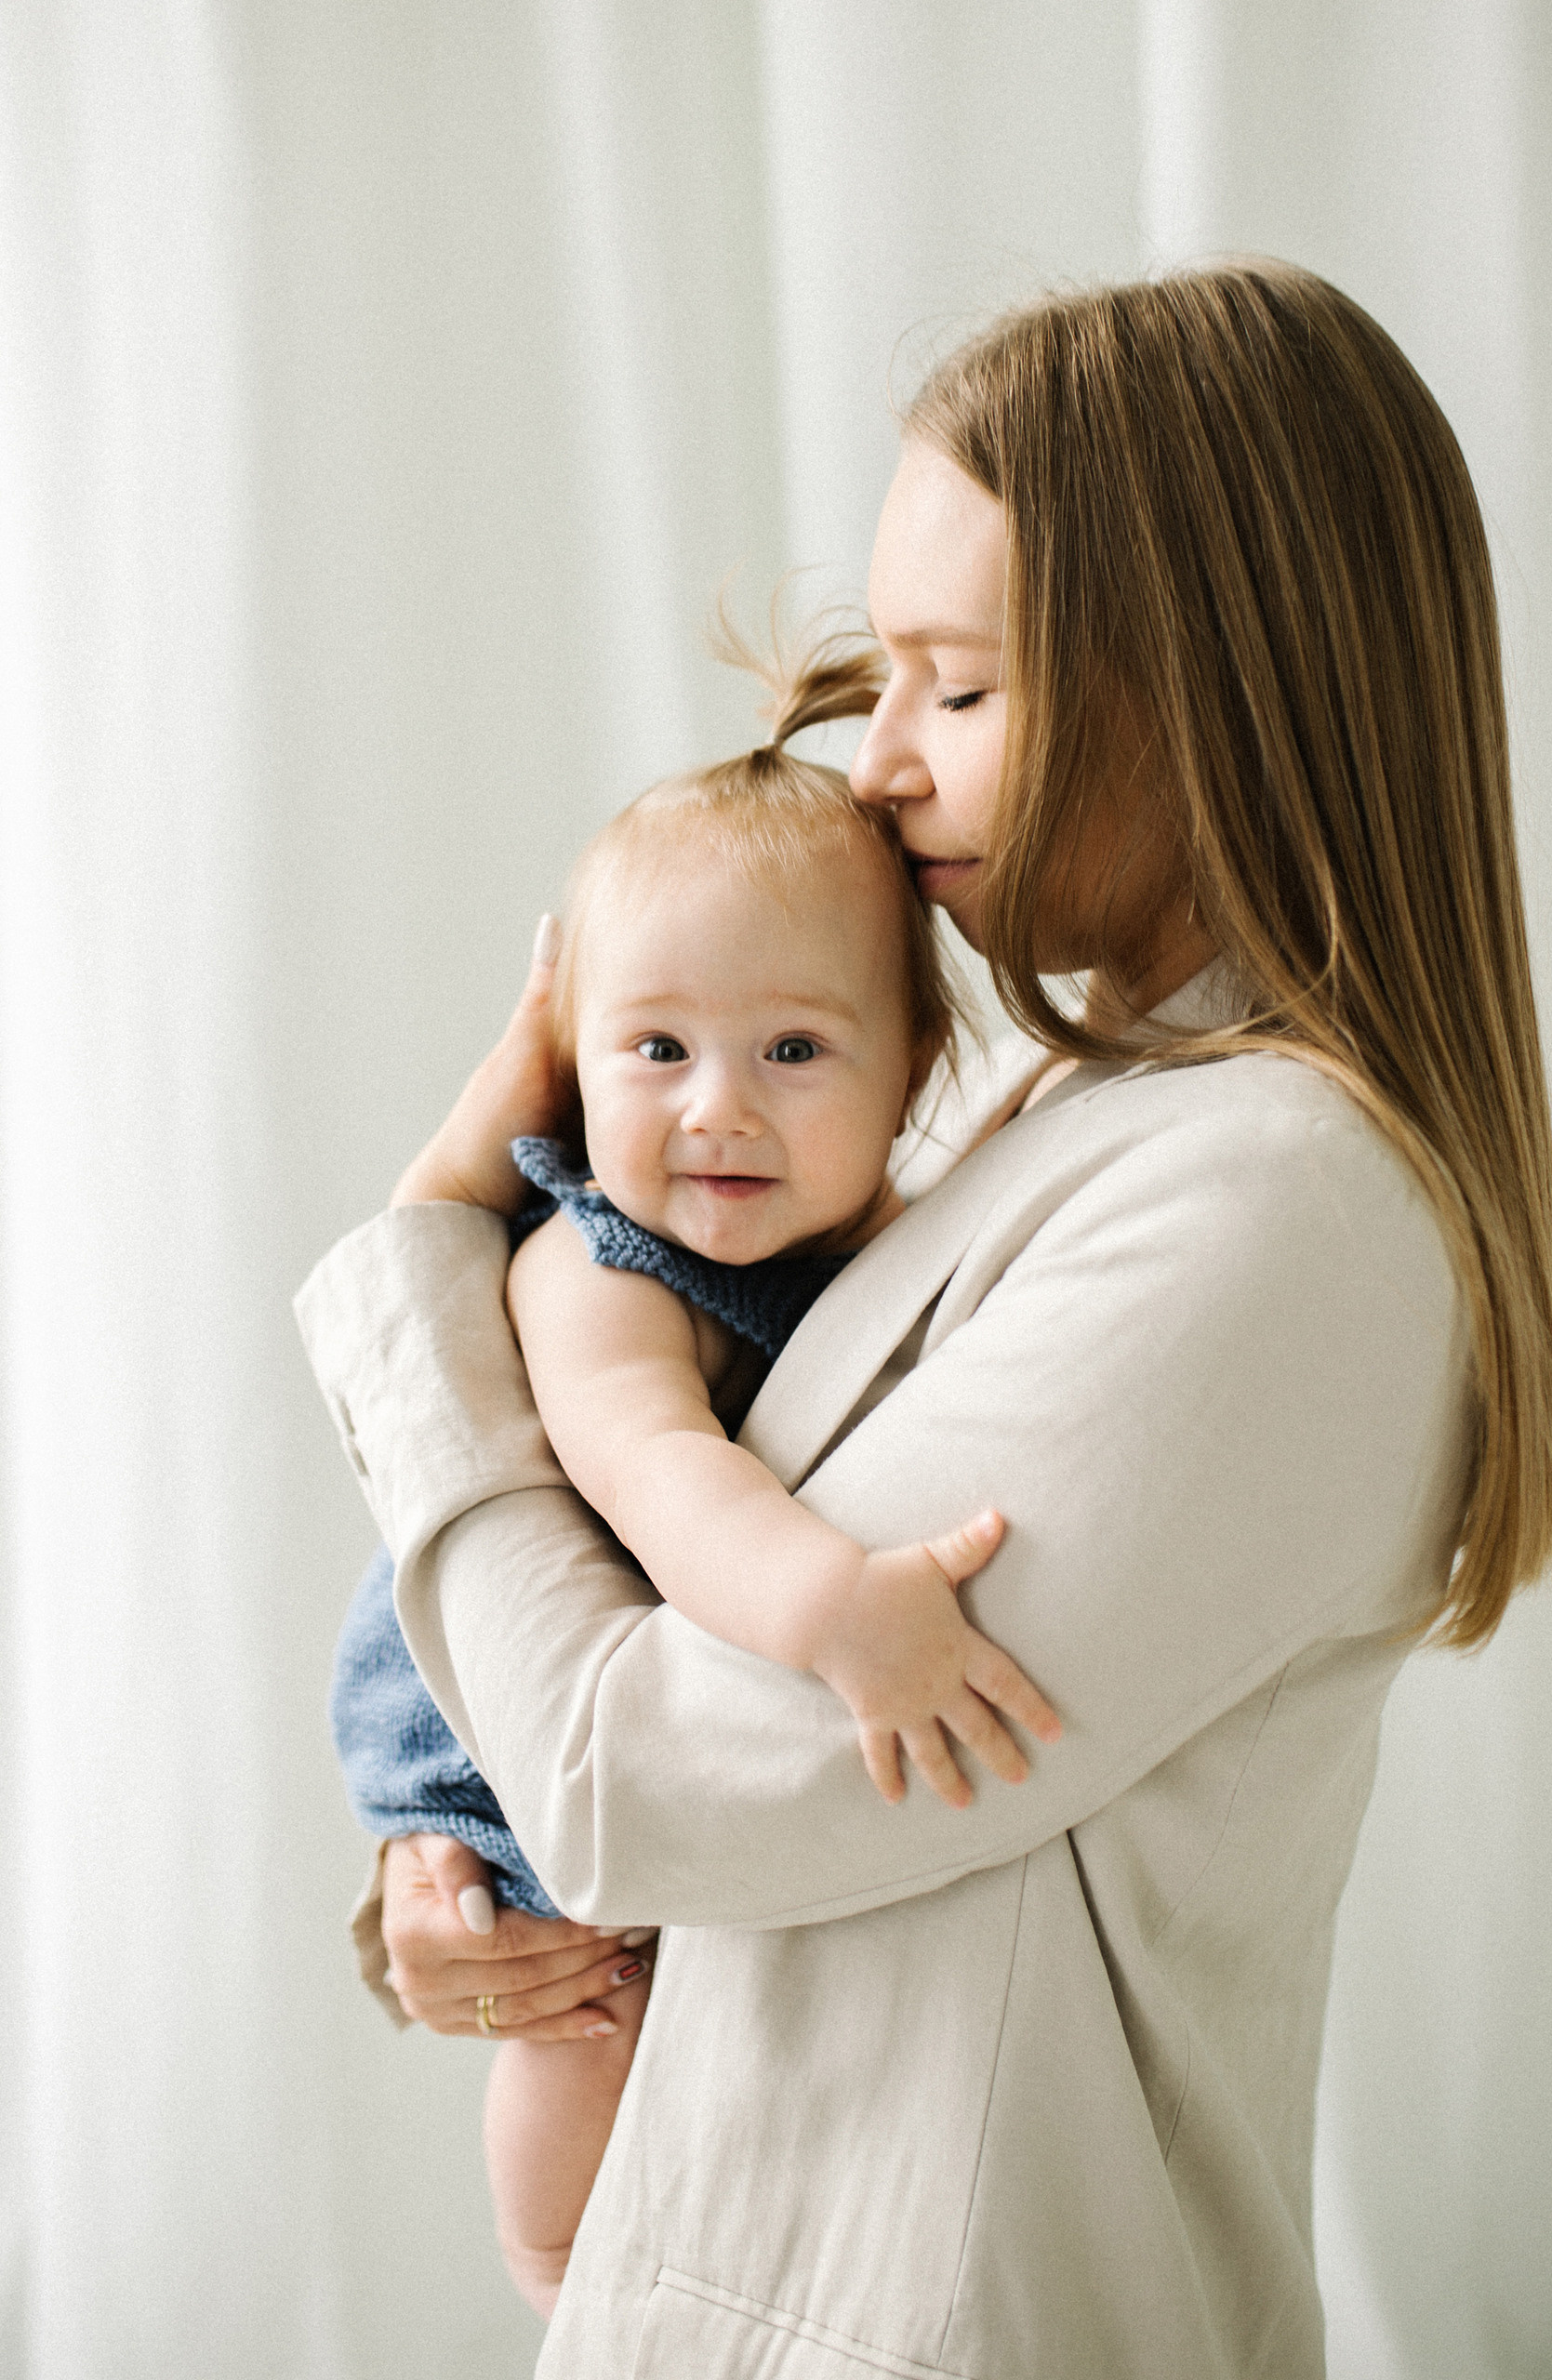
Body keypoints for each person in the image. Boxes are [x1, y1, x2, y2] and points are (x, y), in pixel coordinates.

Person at [297, 261, 1552, 2378]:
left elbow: (644, 1773)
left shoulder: (1272, 1207)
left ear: (1214, 692)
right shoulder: (1032, 1110)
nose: (878, 766)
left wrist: (444, 1244)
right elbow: (639, 1763)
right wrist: (464, 1877)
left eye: (957, 688)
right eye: (881, 674)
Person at [327, 665, 1060, 2319]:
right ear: (570, 1068)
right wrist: (835, 1610)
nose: (716, 1108)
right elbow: (655, 1474)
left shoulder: (876, 1228)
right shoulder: (599, 1270)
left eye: (793, 1048)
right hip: (478, 1724)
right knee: (588, 2013)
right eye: (655, 1047)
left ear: (912, 1070)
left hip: (634, 1669)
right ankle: (551, 2273)